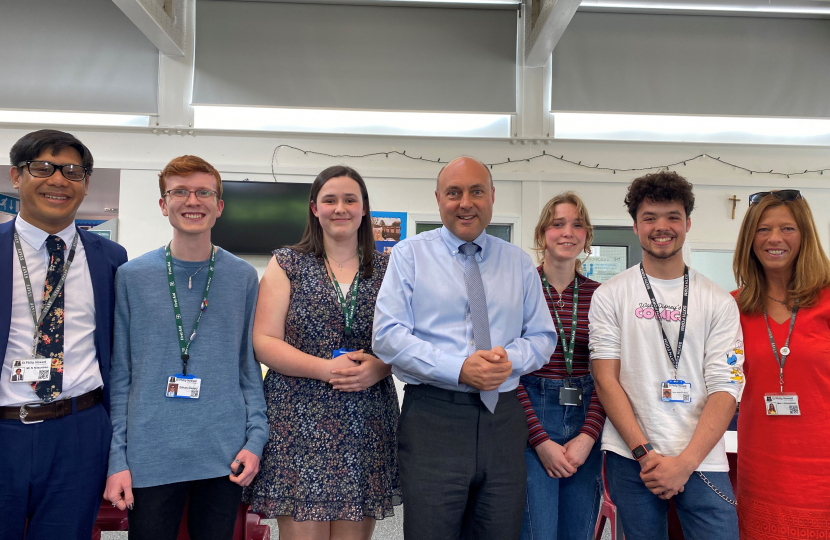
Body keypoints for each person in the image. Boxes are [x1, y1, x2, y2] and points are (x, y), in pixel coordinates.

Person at [373, 156, 557, 540]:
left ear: (492, 197)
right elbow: (387, 336)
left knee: (498, 532)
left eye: (476, 191)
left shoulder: (518, 263)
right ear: (439, 199)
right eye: (454, 193)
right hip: (433, 418)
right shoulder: (409, 256)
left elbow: (543, 337)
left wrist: (508, 361)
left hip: (503, 420)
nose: (465, 202)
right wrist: (458, 368)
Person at [104, 156, 268, 540]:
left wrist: (256, 438)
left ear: (219, 206)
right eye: (179, 191)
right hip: (151, 452)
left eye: (203, 192)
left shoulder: (242, 277)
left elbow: (249, 368)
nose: (192, 200)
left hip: (223, 452)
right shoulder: (131, 277)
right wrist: (117, 457)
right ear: (163, 204)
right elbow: (121, 375)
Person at [245, 165, 401, 540]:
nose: (340, 208)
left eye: (350, 199)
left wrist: (381, 368)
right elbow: (265, 340)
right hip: (297, 418)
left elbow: (407, 339)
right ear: (315, 208)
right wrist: (325, 369)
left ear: (364, 209)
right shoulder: (287, 263)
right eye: (330, 200)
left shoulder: (390, 268)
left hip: (365, 420)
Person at [589, 171, 743, 540]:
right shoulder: (611, 295)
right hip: (632, 458)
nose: (662, 227)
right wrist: (645, 453)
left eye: (672, 216)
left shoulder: (717, 300)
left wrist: (685, 463)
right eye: (650, 218)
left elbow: (727, 385)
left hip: (703, 459)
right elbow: (605, 379)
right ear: (635, 226)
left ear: (687, 223)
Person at [0, 129, 127, 540]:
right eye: (43, 167)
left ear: (86, 184)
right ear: (16, 177)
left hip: (79, 431)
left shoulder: (110, 257)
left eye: (73, 171)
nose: (59, 180)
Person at [732, 190, 830, 538]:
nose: (774, 238)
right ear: (749, 240)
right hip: (762, 470)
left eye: (787, 228)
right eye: (763, 229)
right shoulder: (733, 308)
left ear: (804, 235)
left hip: (822, 472)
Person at [516, 192, 605, 540]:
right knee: (536, 532)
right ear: (542, 234)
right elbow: (511, 373)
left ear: (587, 237)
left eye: (577, 225)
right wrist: (539, 440)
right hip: (532, 418)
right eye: (558, 224)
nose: (568, 232)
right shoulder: (521, 290)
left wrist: (588, 436)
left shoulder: (602, 296)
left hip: (588, 419)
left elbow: (609, 377)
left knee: (578, 533)